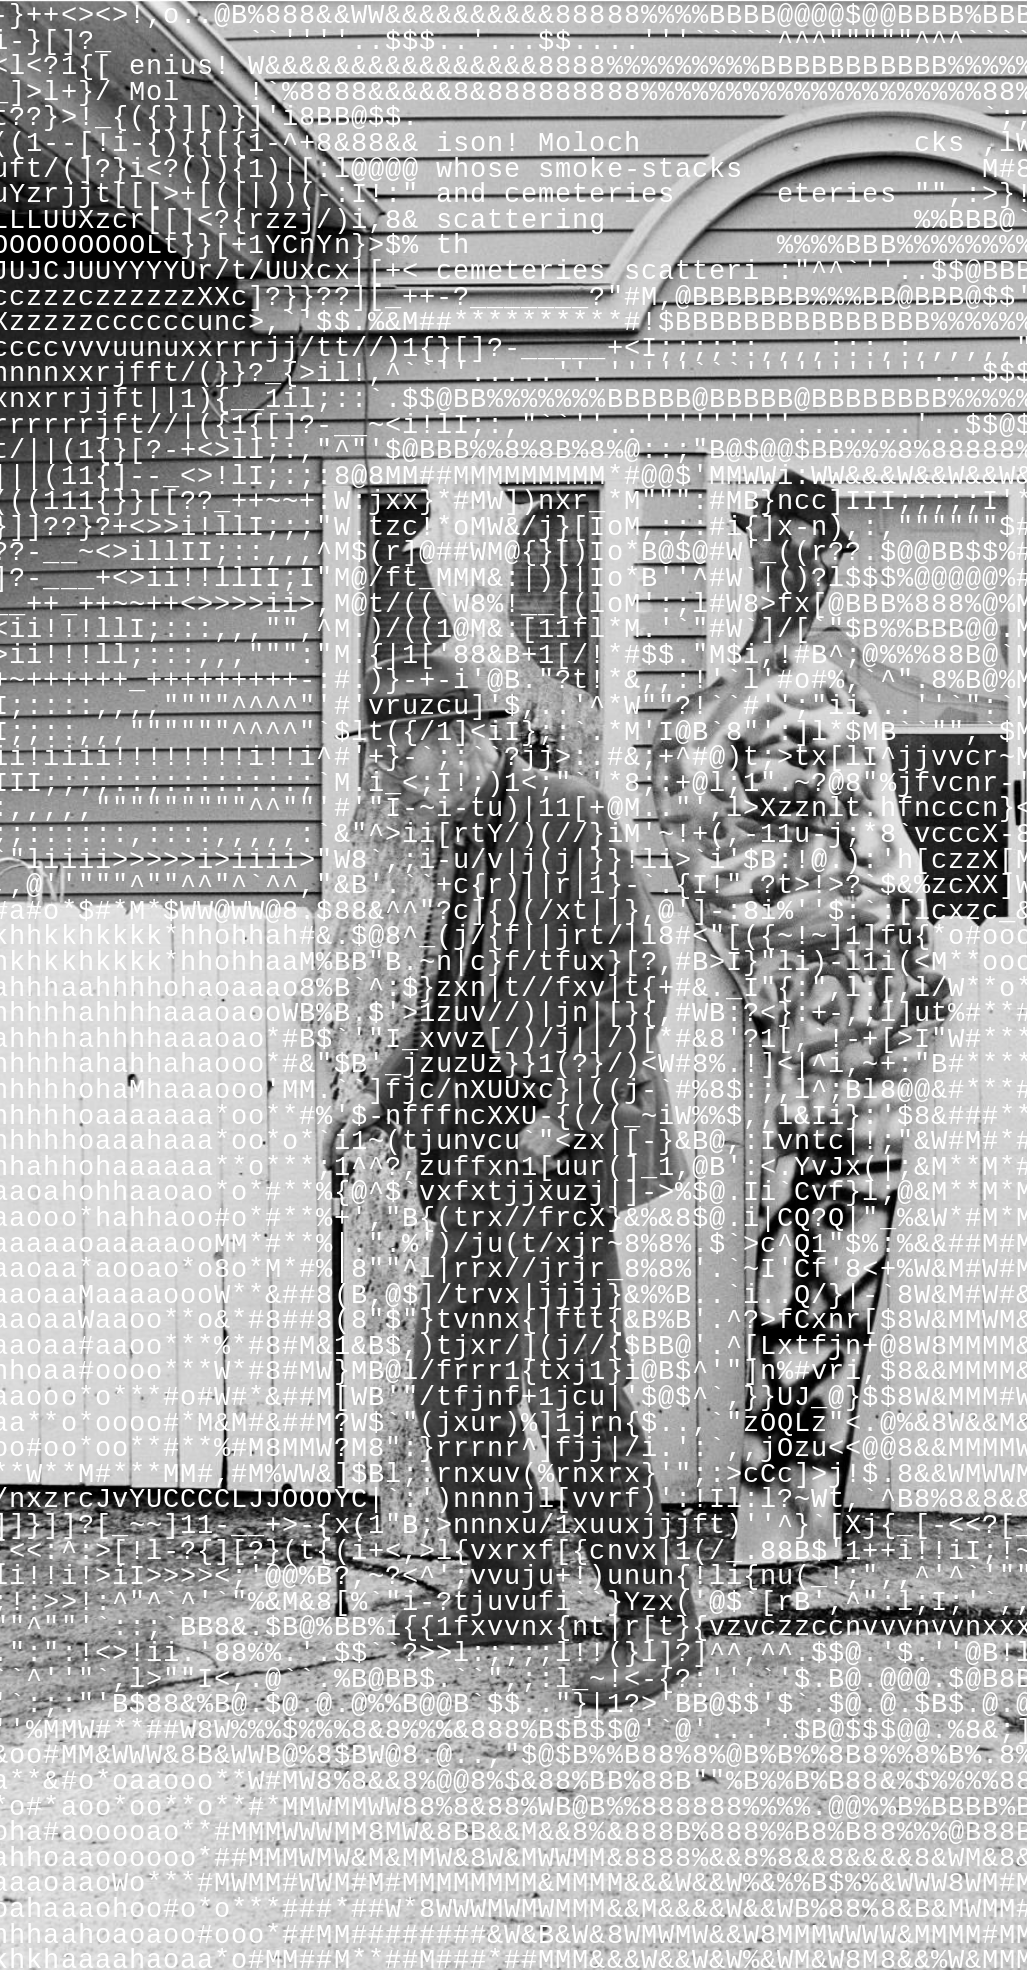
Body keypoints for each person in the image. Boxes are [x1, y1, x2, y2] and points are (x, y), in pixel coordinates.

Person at [325, 588, 698, 1708]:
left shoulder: (564, 815)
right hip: (470, 1157)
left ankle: (655, 1610)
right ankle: (511, 1586)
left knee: (575, 1388)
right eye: (393, 760)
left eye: (410, 756)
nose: (402, 778)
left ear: (466, 736)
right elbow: (454, 1002)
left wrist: (566, 1113)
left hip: (547, 1156)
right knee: (455, 1378)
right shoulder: (464, 837)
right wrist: (380, 1095)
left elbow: (638, 978)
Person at [649, 472, 950, 1571]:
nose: (797, 564)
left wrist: (910, 949)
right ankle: (779, 1507)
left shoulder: (843, 695)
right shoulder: (716, 714)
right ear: (753, 551)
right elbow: (711, 864)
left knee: (847, 1251)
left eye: (815, 547)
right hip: (814, 1007)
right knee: (802, 1251)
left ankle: (804, 1501)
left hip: (882, 1003)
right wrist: (796, 952)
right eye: (778, 543)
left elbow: (886, 845)